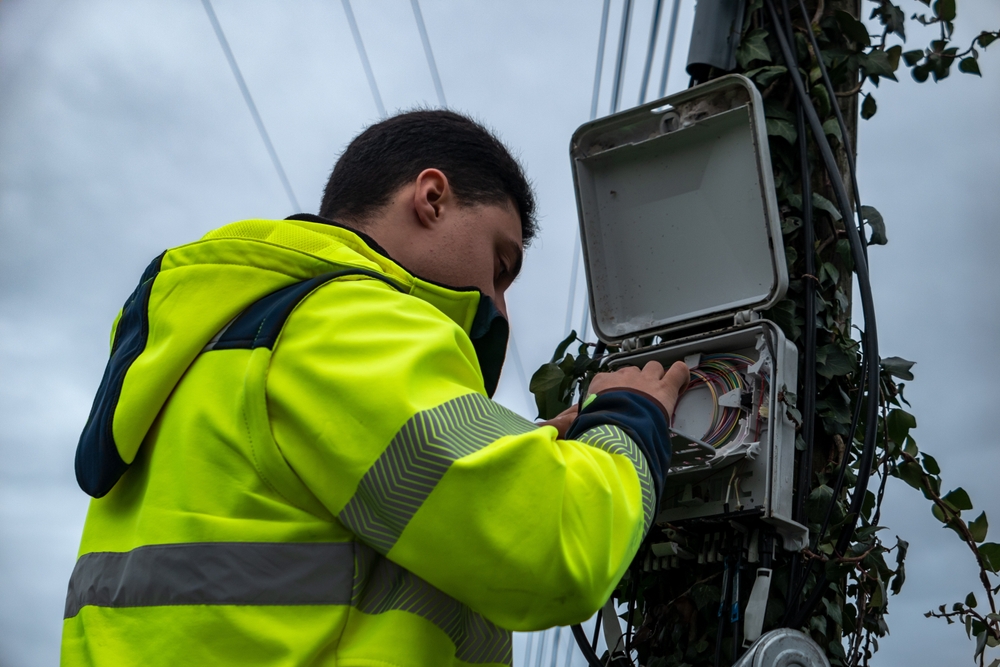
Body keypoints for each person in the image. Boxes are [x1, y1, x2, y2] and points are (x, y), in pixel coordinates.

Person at [61, 110, 689, 667]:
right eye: (500, 268)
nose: (497, 304)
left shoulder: (214, 344)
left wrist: (512, 448)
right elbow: (556, 547)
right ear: (432, 197)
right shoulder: (349, 322)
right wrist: (628, 422)